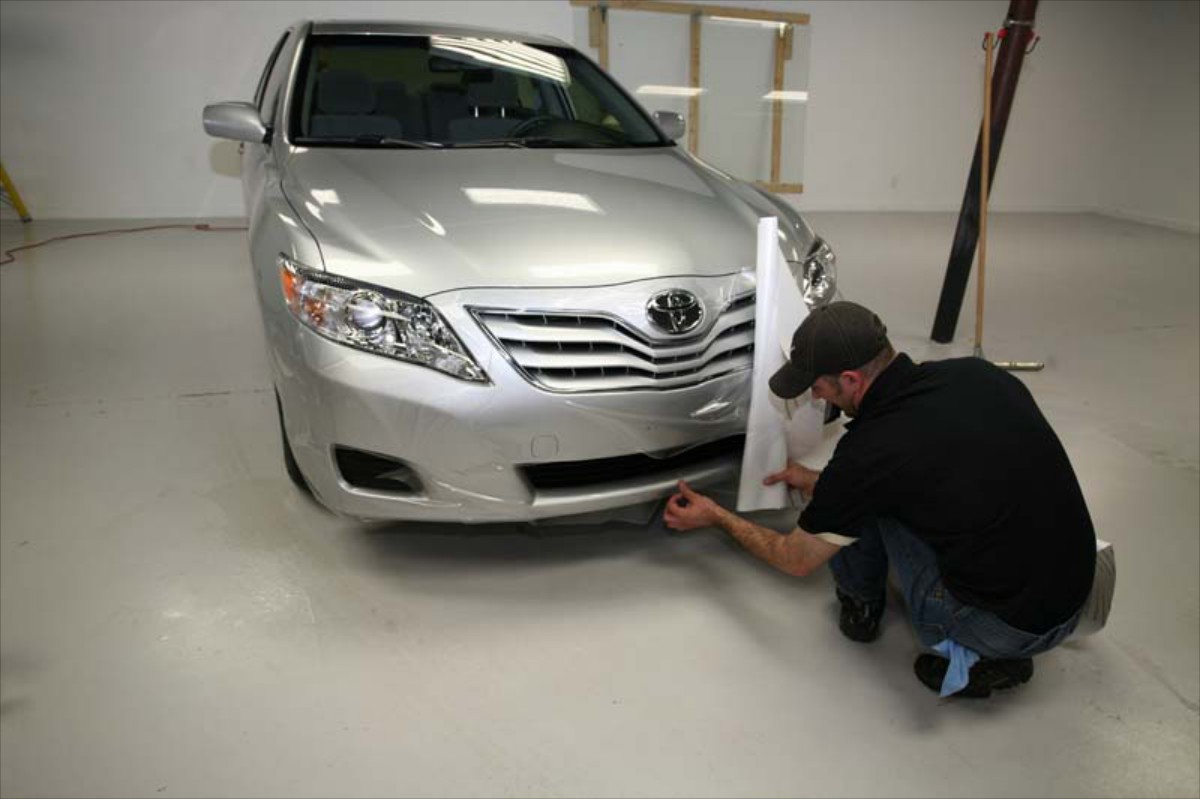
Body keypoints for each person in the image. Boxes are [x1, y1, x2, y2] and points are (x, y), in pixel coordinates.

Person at [663, 301, 1096, 698]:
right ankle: (1001, 643)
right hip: (1077, 594)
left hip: (1005, 627)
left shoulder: (869, 455)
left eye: (818, 387)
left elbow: (795, 558)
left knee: (870, 505)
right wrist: (817, 480)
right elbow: (949, 469)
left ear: (851, 379)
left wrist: (716, 516)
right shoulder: (978, 375)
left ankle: (873, 610)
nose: (816, 397)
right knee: (882, 493)